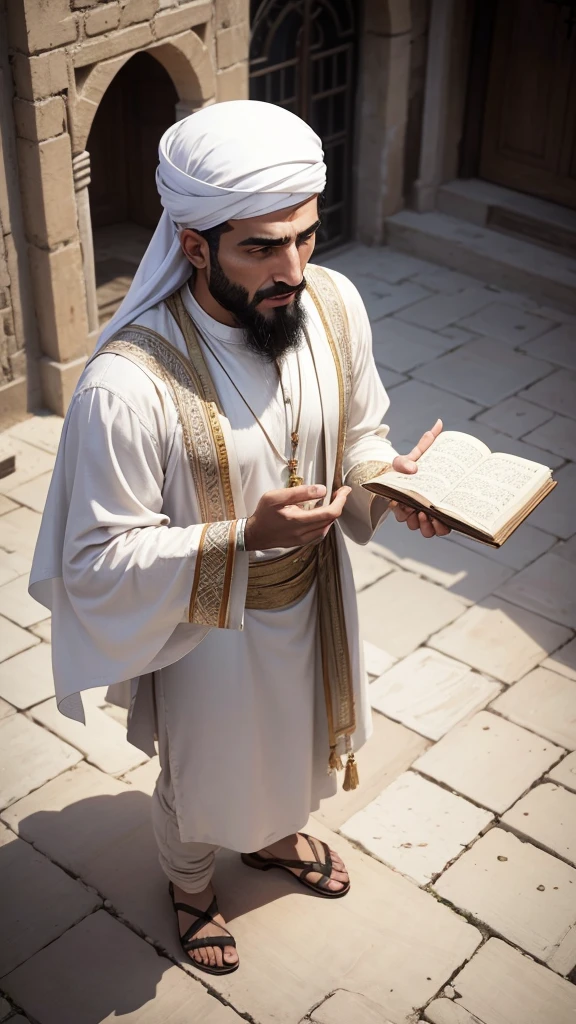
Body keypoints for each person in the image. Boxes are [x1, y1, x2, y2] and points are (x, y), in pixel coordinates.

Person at [30, 100, 449, 975]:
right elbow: (93, 560)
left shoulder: (333, 306)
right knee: (205, 774)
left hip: (318, 599)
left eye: (303, 236)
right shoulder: (126, 387)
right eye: (261, 247)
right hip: (206, 632)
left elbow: (362, 433)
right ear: (194, 245)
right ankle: (189, 887)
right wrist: (236, 538)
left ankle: (275, 839)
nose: (292, 268)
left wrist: (392, 483)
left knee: (301, 745)